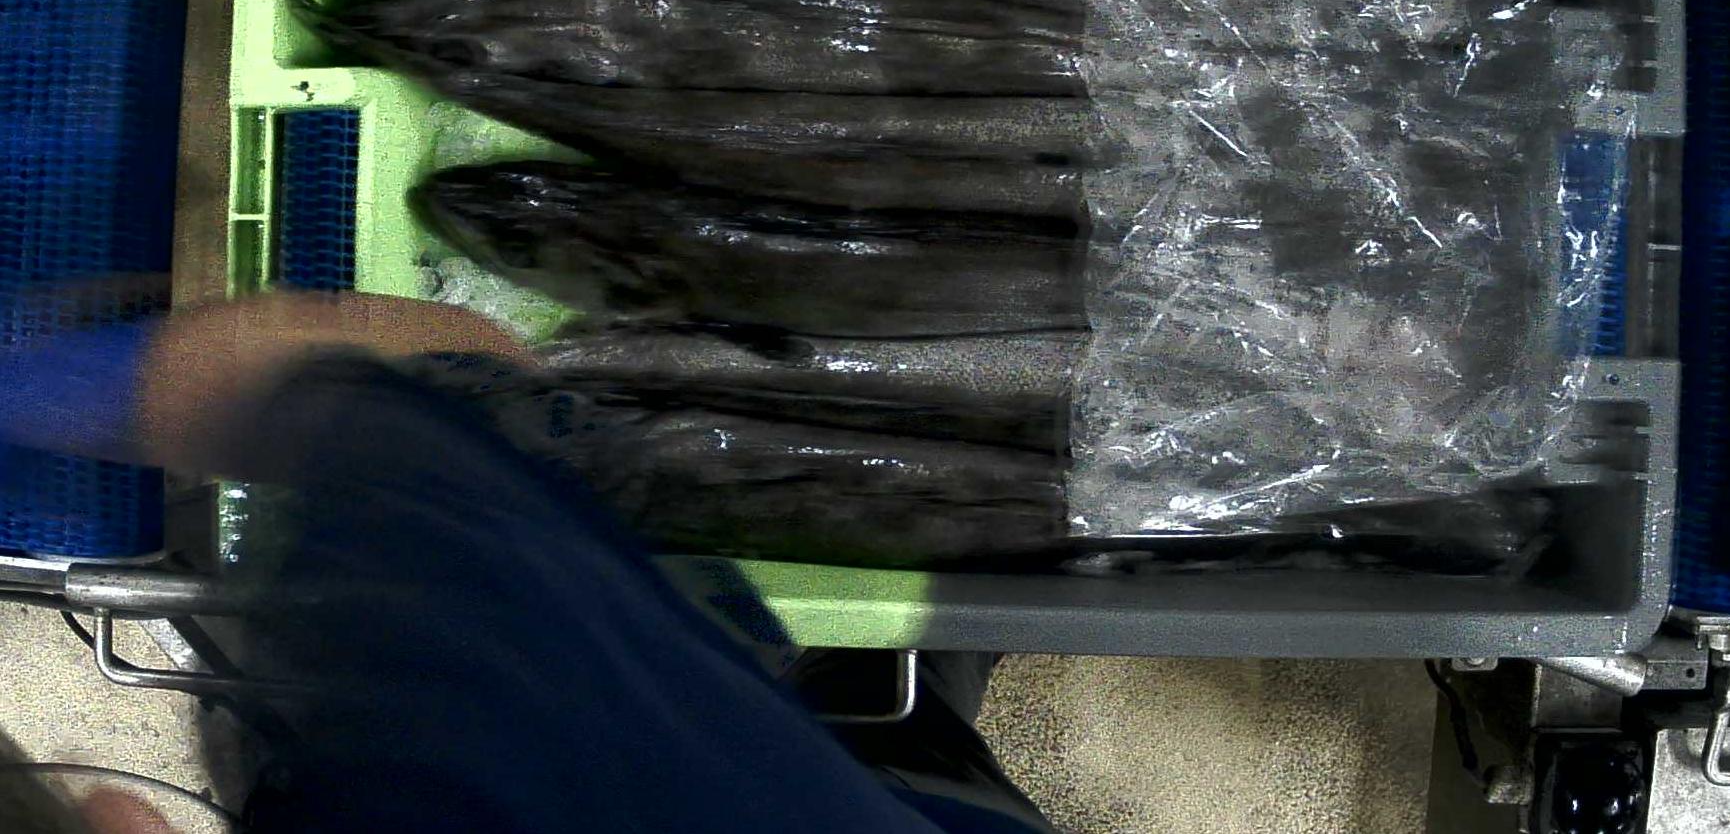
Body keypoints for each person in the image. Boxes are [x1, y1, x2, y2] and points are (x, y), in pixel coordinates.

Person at [0, 292, 1053, 834]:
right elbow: (455, 369)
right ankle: (919, 681)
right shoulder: (477, 754)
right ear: (118, 817)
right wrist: (51, 379)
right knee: (872, 727)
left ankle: (907, 685)